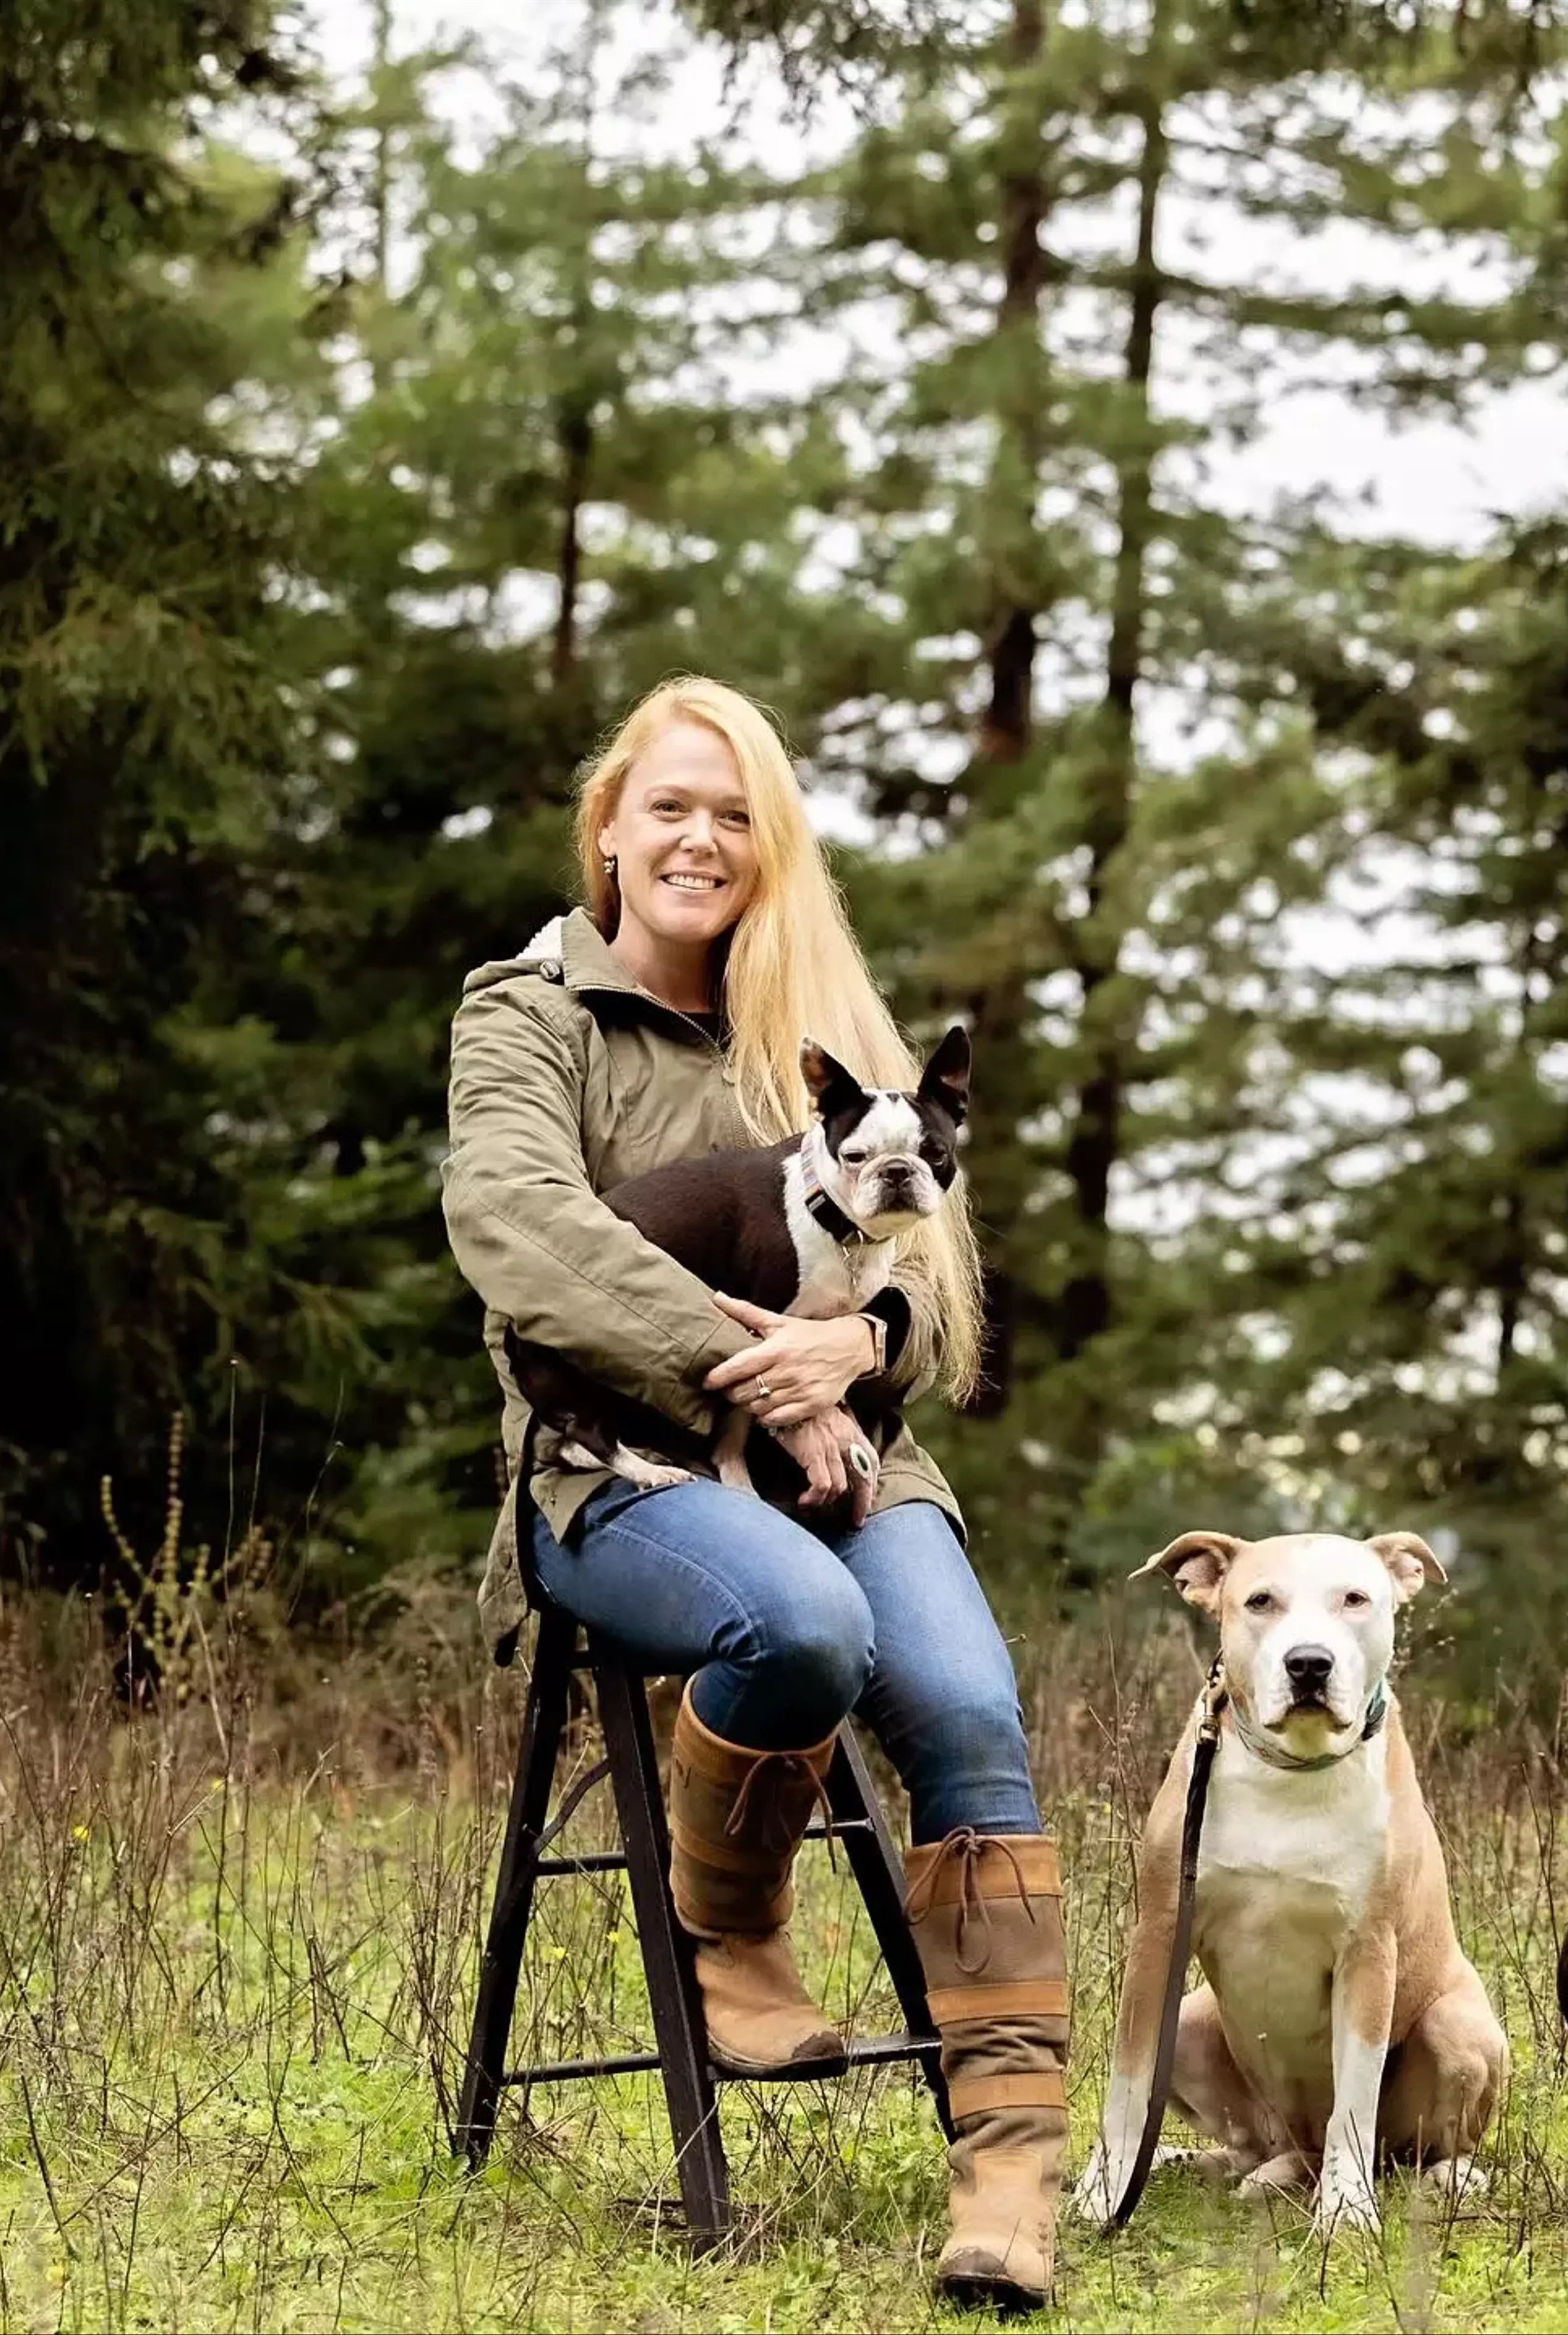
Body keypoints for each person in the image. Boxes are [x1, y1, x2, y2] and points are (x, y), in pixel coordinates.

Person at [441, 676, 1066, 2310]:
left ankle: (1009, 2176)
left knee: (966, 1703)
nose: (700, 839)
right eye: (671, 807)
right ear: (611, 829)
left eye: (736, 813)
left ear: (771, 842)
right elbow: (517, 1232)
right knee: (802, 1624)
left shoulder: (831, 1027)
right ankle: (731, 1934)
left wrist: (857, 1340)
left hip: (854, 1456)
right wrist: (745, 1362)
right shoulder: (526, 1016)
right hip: (611, 1464)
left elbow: (933, 1292)